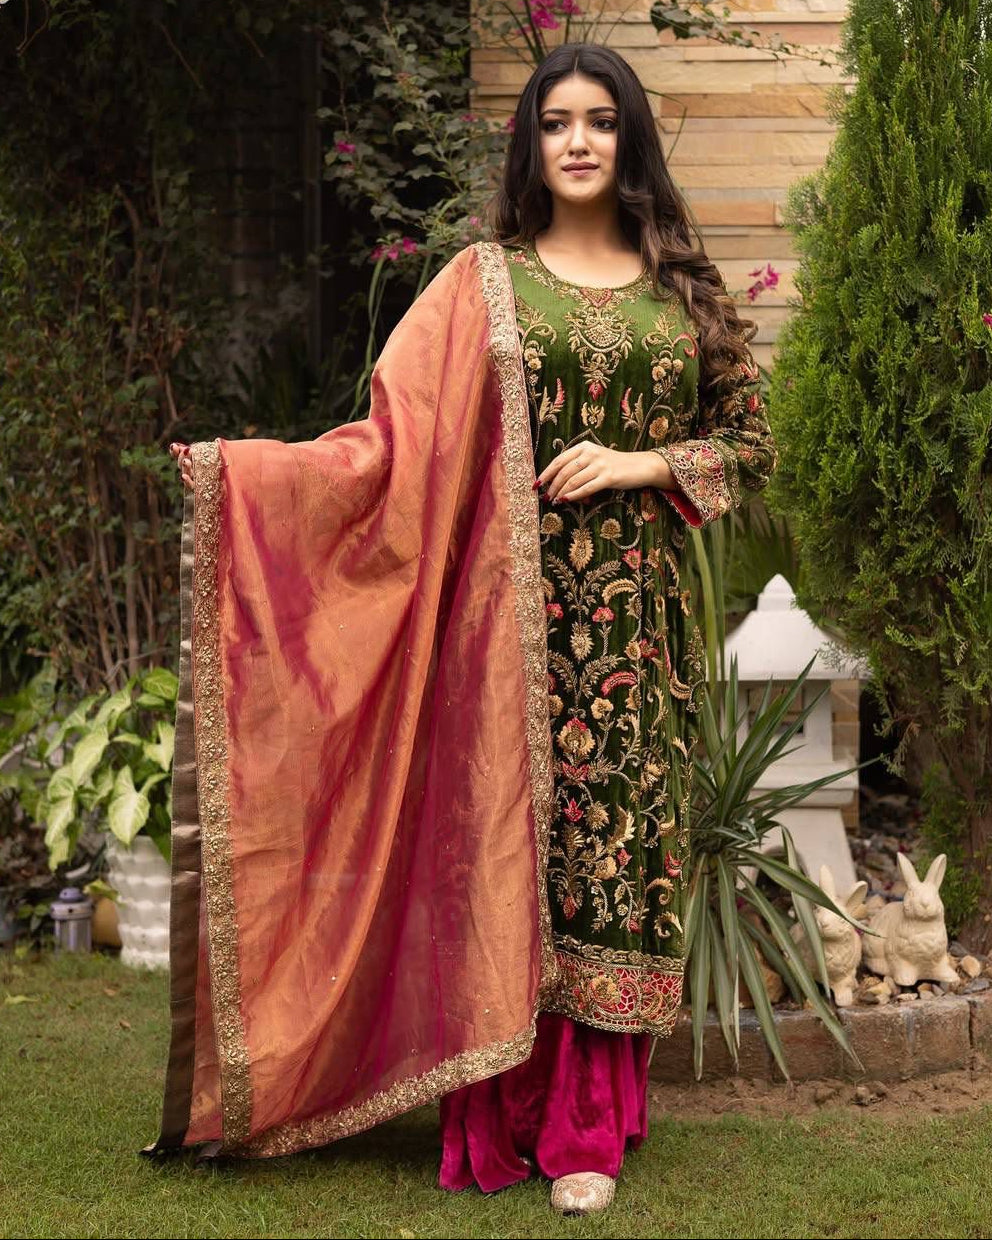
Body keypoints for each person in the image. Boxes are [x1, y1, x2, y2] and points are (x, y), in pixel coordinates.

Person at [157, 41, 777, 1218]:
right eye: (555, 123)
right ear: (529, 144)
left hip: (635, 637)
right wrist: (240, 478)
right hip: (502, 629)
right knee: (501, 852)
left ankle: (587, 1124)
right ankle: (498, 1112)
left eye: (600, 120)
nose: (579, 141)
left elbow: (749, 439)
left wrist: (644, 459)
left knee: (614, 861)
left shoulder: (679, 286)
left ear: (629, 137)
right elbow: (385, 441)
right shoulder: (479, 282)